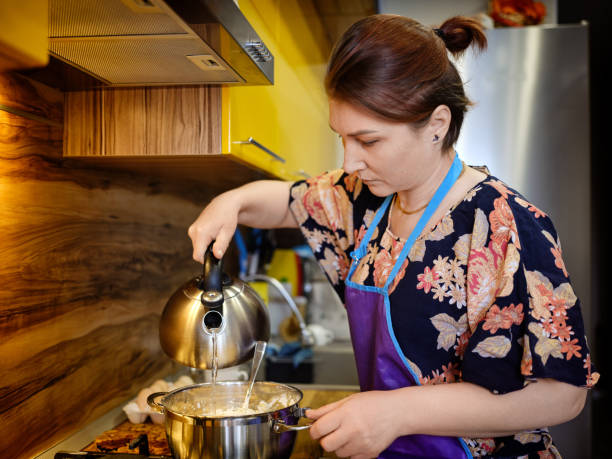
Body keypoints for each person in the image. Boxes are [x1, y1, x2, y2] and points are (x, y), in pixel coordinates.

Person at [188, 14, 599, 458]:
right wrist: (230, 202)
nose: (349, 162)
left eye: (369, 140)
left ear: (437, 123)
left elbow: (563, 393)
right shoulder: (363, 201)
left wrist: (397, 413)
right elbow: (288, 200)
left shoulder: (505, 225)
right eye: (342, 137)